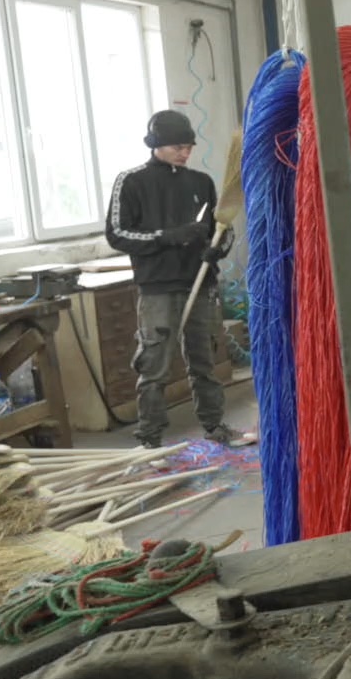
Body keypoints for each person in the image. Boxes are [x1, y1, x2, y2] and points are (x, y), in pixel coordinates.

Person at [104, 109, 247, 449]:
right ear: (156, 144)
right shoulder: (132, 181)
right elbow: (117, 234)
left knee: (205, 361)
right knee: (154, 365)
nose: (185, 153)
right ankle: (150, 438)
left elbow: (221, 229)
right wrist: (169, 236)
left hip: (200, 282)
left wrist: (217, 249)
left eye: (188, 147)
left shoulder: (201, 182)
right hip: (158, 287)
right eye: (177, 147)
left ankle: (214, 425)